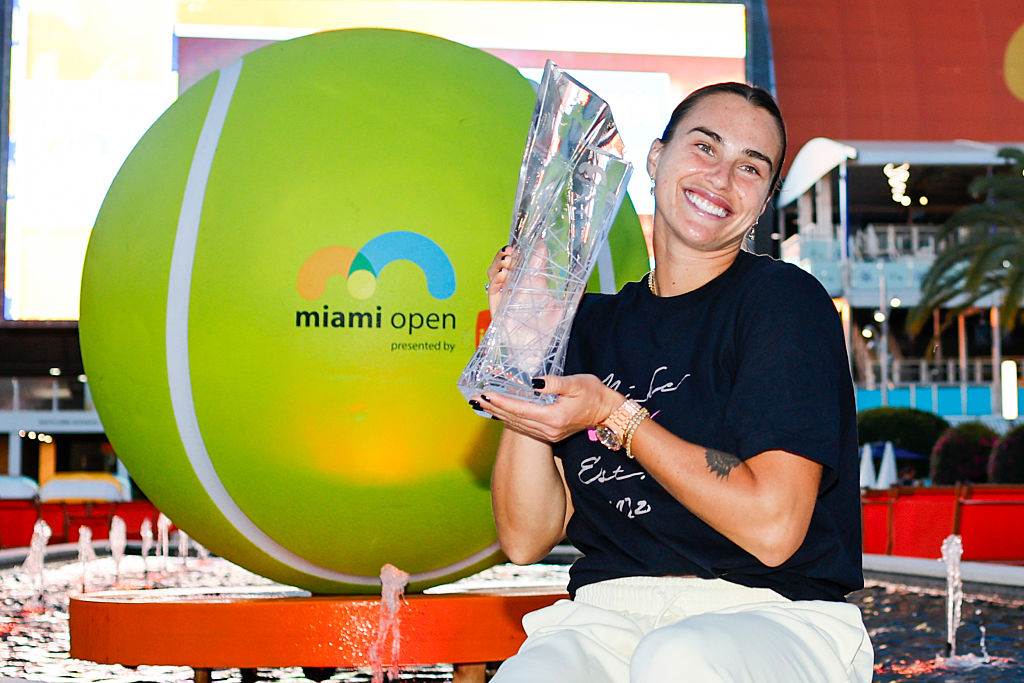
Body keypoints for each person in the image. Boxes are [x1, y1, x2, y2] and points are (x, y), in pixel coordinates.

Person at [468, 82, 874, 682]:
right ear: (657, 158)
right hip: (607, 615)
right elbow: (526, 538)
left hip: (767, 611)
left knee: (677, 659)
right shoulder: (589, 324)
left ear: (764, 200)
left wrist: (614, 415)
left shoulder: (782, 303)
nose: (721, 178)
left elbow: (773, 528)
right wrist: (529, 349)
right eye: (705, 147)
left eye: (750, 167)